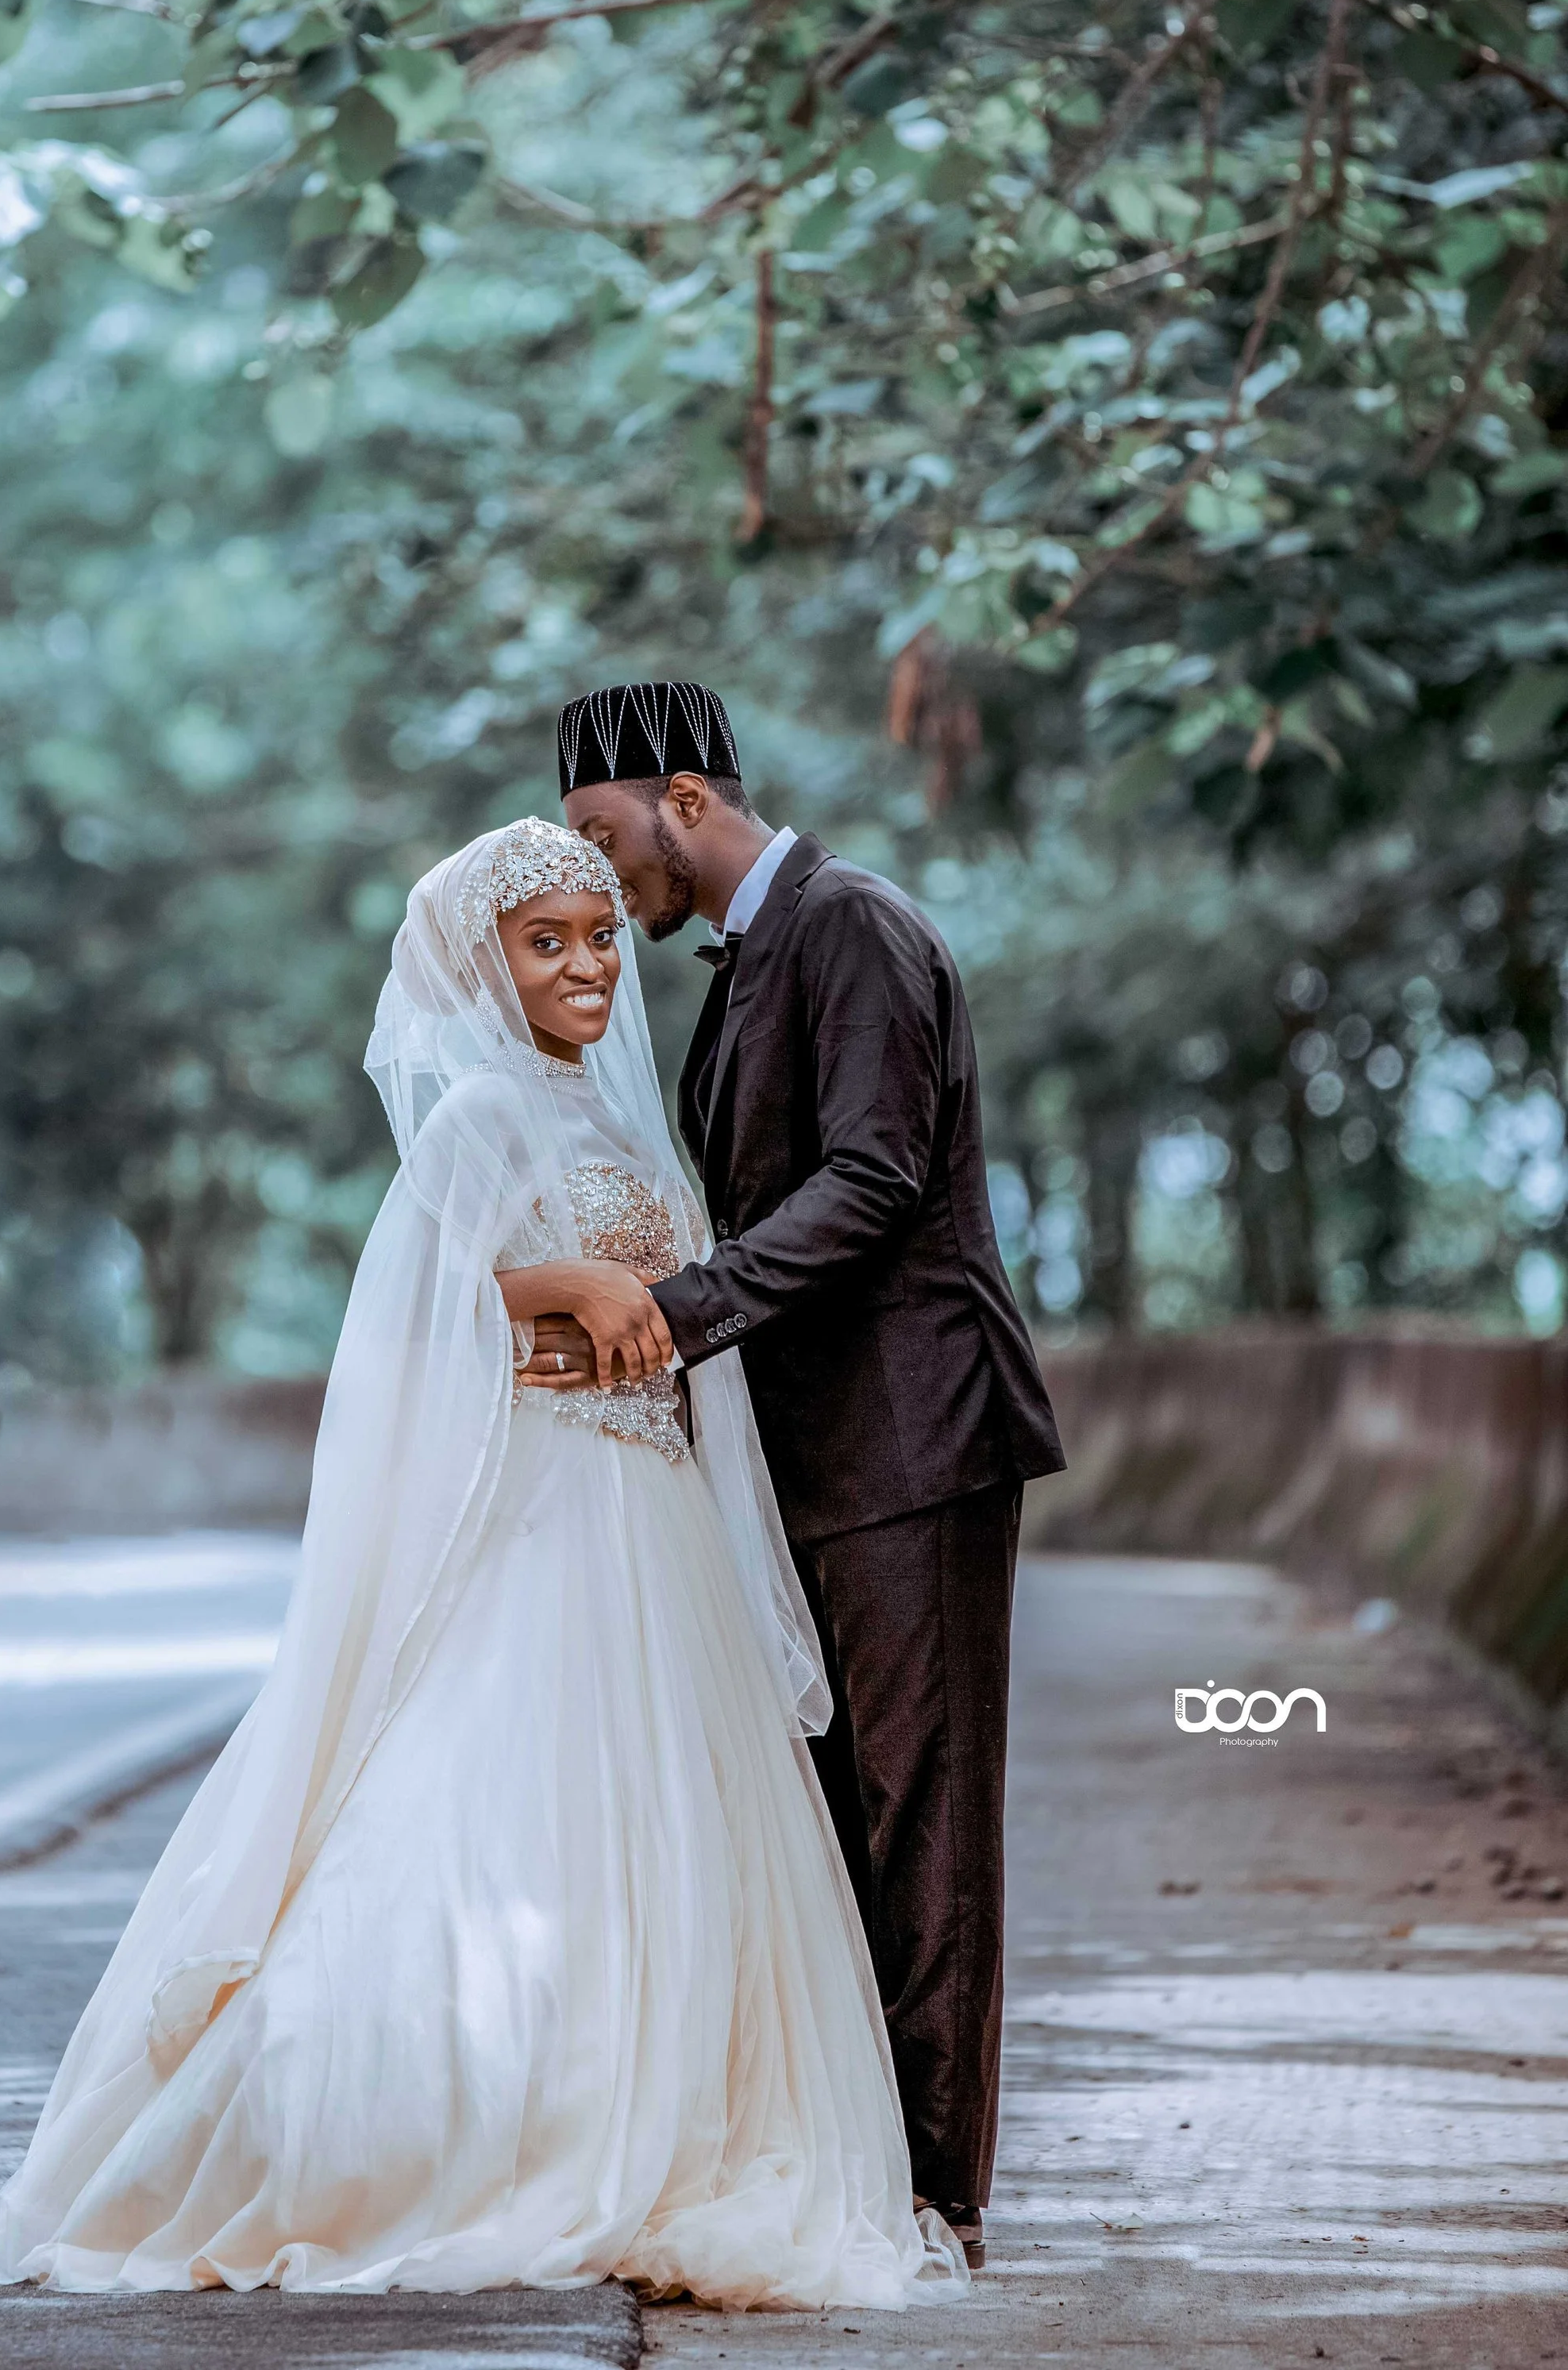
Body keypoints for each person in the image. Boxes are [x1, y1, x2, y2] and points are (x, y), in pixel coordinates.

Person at [0, 818, 970, 2309]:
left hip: (653, 1520)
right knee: (494, 1808)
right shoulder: (475, 1114)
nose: (591, 964)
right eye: (549, 942)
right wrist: (559, 1284)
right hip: (545, 1510)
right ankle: (451, 2121)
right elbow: (415, 1299)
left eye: (602, 935)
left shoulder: (621, 1124)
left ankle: (647, 2110)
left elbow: (682, 1315)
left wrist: (635, 1311)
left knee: (666, 1825)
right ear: (486, 962)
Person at [542, 684, 1068, 2274]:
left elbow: (870, 1179)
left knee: (920, 1817)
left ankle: (936, 2198)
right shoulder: (755, 957)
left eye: (595, 832)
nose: (590, 871)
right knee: (835, 1813)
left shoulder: (847, 926)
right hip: (820, 1451)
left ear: (682, 796)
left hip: (912, 1439)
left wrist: (673, 1316)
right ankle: (860, 2167)